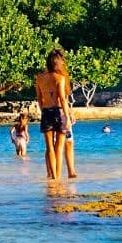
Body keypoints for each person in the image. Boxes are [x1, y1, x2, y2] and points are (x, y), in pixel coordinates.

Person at [35, 49, 75, 180]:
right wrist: (68, 117)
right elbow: (63, 99)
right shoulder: (60, 78)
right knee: (59, 147)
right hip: (59, 111)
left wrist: (44, 111)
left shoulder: (39, 78)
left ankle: (53, 178)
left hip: (46, 111)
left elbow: (39, 99)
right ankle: (57, 177)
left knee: (49, 148)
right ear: (58, 63)